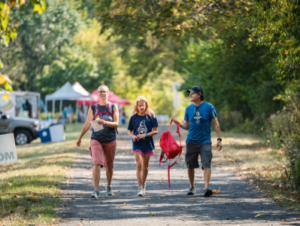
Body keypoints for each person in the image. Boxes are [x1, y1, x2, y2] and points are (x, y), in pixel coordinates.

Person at [171, 86, 222, 197]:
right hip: (191, 141)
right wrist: (177, 123)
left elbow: (216, 123)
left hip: (205, 141)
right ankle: (192, 187)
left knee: (206, 164)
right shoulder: (188, 109)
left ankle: (206, 188)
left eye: (192, 93)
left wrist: (219, 139)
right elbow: (186, 126)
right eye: (190, 94)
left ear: (199, 94)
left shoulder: (209, 107)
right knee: (190, 165)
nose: (190, 95)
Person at [76, 85, 119, 199]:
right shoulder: (93, 108)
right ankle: (96, 190)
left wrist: (105, 122)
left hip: (110, 139)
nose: (102, 93)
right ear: (97, 94)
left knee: (109, 166)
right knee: (96, 163)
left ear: (108, 93)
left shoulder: (113, 107)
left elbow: (116, 123)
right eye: (100, 92)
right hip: (96, 138)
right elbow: (87, 124)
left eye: (104, 92)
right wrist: (80, 137)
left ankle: (108, 186)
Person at [128, 96, 158, 196]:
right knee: (139, 165)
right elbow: (130, 131)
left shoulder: (151, 116)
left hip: (147, 144)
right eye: (139, 105)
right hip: (137, 144)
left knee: (145, 167)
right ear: (137, 106)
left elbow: (155, 131)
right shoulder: (133, 117)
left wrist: (144, 135)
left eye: (143, 105)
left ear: (146, 105)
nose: (141, 107)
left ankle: (144, 184)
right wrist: (133, 136)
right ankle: (140, 187)